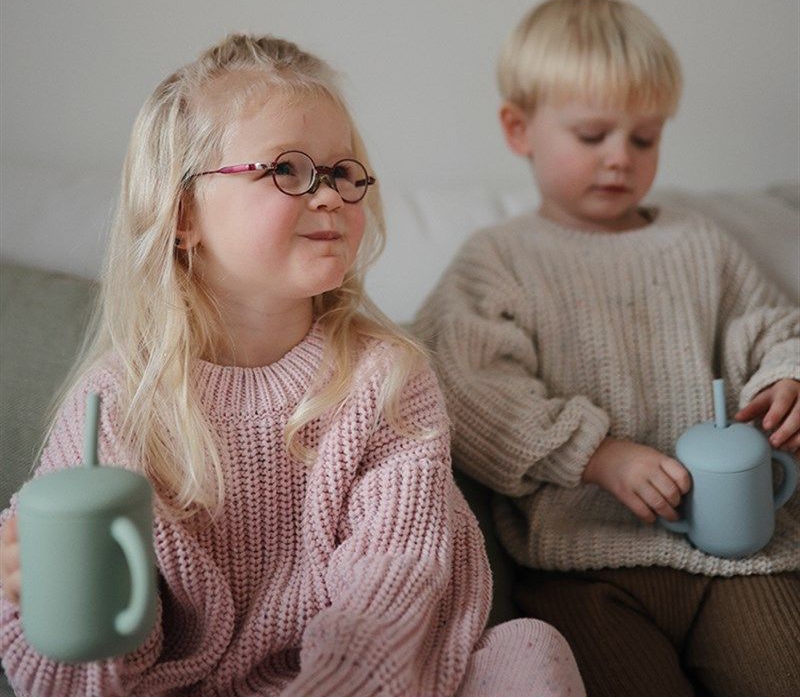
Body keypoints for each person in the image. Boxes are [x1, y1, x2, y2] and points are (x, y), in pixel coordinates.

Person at [0, 34, 584, 696]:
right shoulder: (115, 407)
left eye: (342, 172)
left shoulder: (388, 382)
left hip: (364, 682)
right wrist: (43, 604)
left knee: (529, 652)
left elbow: (391, 598)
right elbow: (75, 670)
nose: (331, 195)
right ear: (184, 211)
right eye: (287, 170)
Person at [413, 0, 800, 697]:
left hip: (743, 558)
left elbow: (776, 324)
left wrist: (786, 378)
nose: (620, 158)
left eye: (645, 139)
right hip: (583, 571)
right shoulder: (497, 259)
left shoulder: (698, 242)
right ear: (518, 128)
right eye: (593, 135)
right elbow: (466, 388)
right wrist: (594, 454)